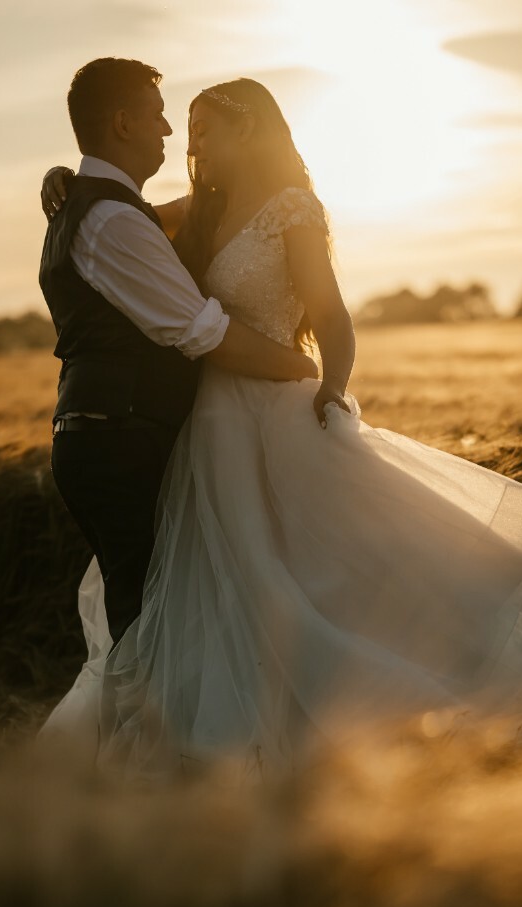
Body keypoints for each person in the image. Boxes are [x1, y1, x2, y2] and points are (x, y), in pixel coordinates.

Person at [38, 77, 522, 783]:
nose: (190, 142)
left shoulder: (292, 209)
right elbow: (119, 215)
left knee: (288, 575)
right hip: (204, 424)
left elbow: (330, 314)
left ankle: (342, 724)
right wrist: (64, 180)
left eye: (205, 127)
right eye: (181, 125)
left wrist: (329, 384)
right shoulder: (197, 212)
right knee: (210, 583)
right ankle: (205, 746)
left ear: (249, 132)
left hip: (273, 404)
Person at [38, 60, 318, 655]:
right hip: (120, 435)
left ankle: (149, 738)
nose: (171, 133)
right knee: (146, 621)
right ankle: (144, 742)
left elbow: (186, 216)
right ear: (122, 123)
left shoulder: (105, 206)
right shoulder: (111, 218)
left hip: (107, 431)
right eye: (160, 116)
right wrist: (297, 366)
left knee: (154, 608)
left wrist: (66, 176)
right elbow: (201, 331)